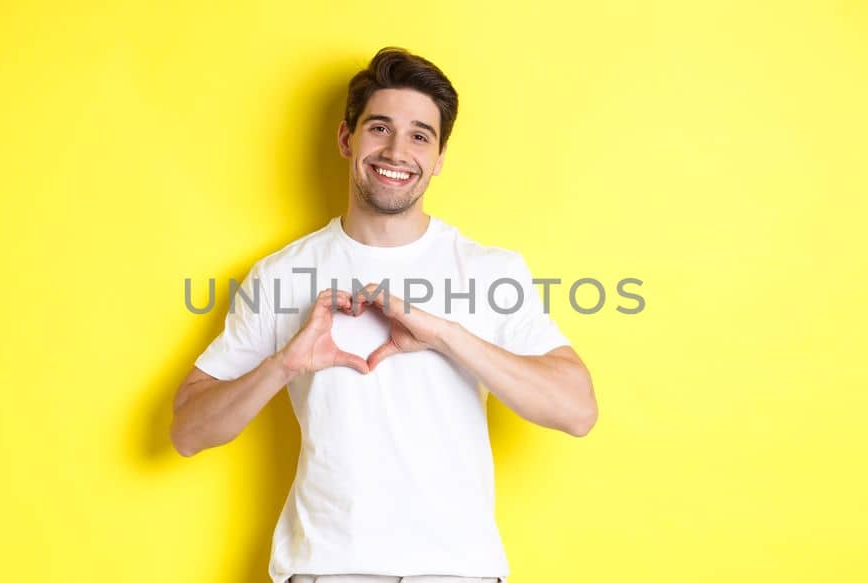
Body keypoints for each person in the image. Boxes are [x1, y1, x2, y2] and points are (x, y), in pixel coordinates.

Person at [170, 47, 597, 583]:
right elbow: (188, 431)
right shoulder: (282, 274)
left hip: (456, 572)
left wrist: (445, 334)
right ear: (347, 140)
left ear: (439, 157)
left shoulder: (491, 271)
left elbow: (577, 410)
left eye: (421, 135)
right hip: (326, 569)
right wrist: (285, 363)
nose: (398, 150)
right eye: (380, 128)